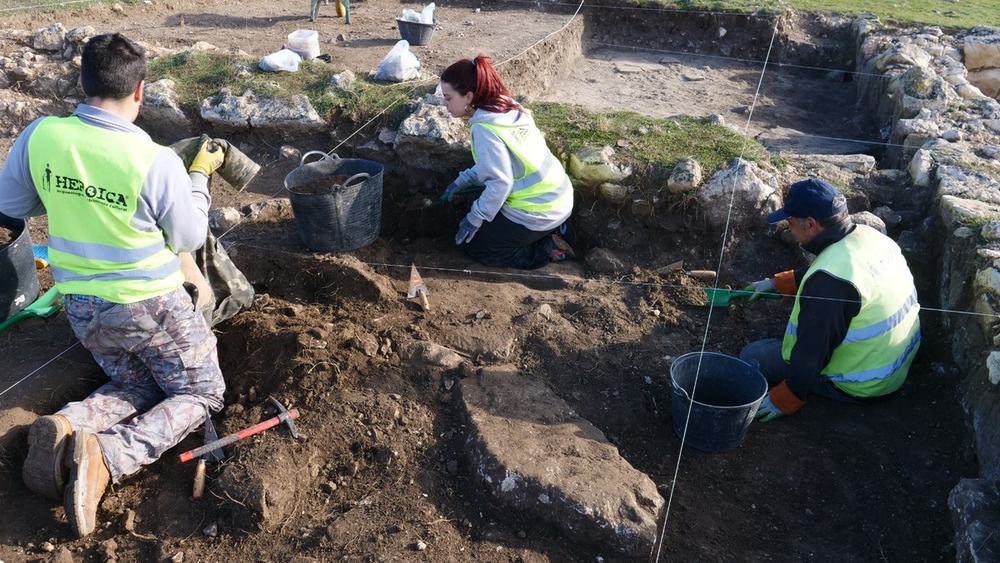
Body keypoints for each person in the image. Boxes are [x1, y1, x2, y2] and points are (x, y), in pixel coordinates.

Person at [0, 33, 226, 537]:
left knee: (138, 385)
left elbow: (12, 205)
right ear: (140, 91)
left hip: (83, 308)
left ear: (81, 81)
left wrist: (71, 200)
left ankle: (68, 425)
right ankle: (106, 455)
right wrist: (197, 180)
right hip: (151, 307)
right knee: (204, 392)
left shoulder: (42, 135)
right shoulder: (154, 160)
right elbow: (188, 234)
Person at [739, 178, 921, 422]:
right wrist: (778, 283)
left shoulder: (830, 284)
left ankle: (822, 389)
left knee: (753, 354)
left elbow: (812, 351)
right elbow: (839, 272)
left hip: (863, 384)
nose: (789, 230)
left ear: (811, 224)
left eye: (791, 223)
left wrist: (786, 397)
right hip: (895, 362)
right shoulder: (869, 237)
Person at [439, 54, 575, 269]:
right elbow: (500, 163)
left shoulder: (484, 128)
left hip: (539, 210)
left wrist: (474, 218)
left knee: (478, 247)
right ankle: (551, 231)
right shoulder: (507, 108)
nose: (444, 104)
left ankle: (546, 249)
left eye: (448, 98)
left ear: (468, 97)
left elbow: (500, 183)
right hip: (559, 197)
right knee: (487, 219)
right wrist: (462, 181)